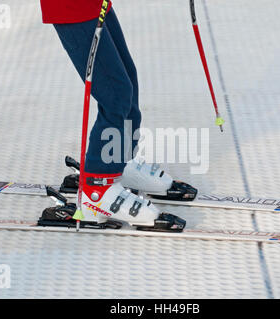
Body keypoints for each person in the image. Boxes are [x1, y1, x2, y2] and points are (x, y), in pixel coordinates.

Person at [39, 1, 191, 231]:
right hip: (71, 6)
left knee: (125, 82)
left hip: (94, 5)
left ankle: (118, 160)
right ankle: (97, 190)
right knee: (115, 93)